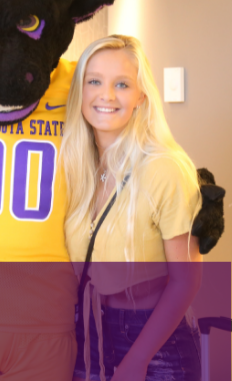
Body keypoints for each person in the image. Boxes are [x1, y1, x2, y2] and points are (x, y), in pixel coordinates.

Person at [61, 35, 202, 381]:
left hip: (155, 340)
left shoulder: (164, 168)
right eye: (94, 81)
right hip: (88, 333)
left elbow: (186, 280)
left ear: (141, 96)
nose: (106, 95)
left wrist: (138, 359)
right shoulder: (75, 167)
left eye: (121, 84)